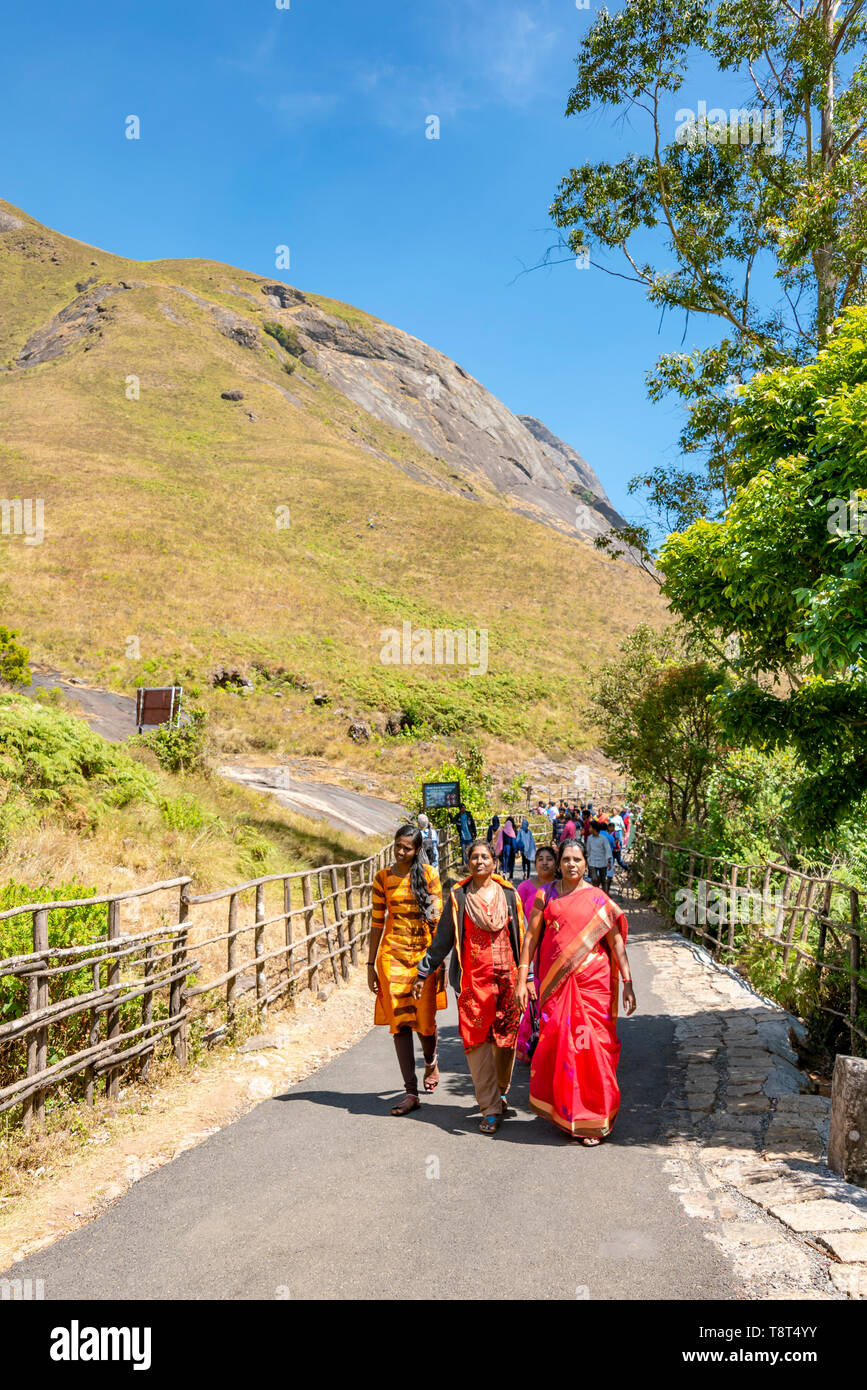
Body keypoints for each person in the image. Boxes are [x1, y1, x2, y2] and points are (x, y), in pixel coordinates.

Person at [515, 838, 636, 1142]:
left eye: (577, 859)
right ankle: (567, 1112)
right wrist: (522, 978)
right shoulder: (546, 895)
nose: (571, 864)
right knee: (561, 1047)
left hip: (594, 986)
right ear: (559, 863)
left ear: (585, 863)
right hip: (555, 986)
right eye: (566, 859)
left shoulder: (599, 900)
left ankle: (593, 1117)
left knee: (592, 1049)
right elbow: (530, 938)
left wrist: (628, 983)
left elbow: (616, 943)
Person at [413, 840, 525, 1134]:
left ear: (494, 862)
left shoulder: (510, 895)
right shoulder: (459, 897)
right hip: (473, 983)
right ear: (468, 862)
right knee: (477, 1042)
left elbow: (522, 941)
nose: (479, 861)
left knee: (505, 1041)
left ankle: (501, 1092)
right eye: (474, 857)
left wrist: (527, 979)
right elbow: (443, 941)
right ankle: (488, 1108)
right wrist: (424, 971)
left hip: (508, 981)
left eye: (484, 857)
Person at [368, 825, 445, 1115]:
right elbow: (377, 923)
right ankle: (410, 1091)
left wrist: (439, 960)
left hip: (424, 957)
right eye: (397, 846)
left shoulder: (429, 876)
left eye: (407, 848)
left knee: (425, 1021)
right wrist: (370, 965)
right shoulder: (382, 878)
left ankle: (431, 1059)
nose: (401, 852)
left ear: (417, 850)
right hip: (391, 956)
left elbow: (437, 921)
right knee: (399, 1023)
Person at [515, 844, 558, 1061]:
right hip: (533, 949)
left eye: (548, 859)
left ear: (555, 863)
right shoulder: (524, 888)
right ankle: (534, 1042)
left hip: (556, 950)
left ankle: (553, 1043)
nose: (544, 862)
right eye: (540, 858)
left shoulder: (561, 888)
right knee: (536, 998)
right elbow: (519, 924)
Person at [585, 819, 613, 888]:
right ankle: (595, 893)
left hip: (602, 862)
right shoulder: (589, 838)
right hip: (592, 862)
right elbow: (588, 850)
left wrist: (609, 861)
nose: (589, 829)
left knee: (603, 880)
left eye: (590, 827)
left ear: (594, 829)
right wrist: (586, 861)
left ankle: (604, 894)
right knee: (594, 879)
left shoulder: (603, 838)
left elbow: (608, 849)